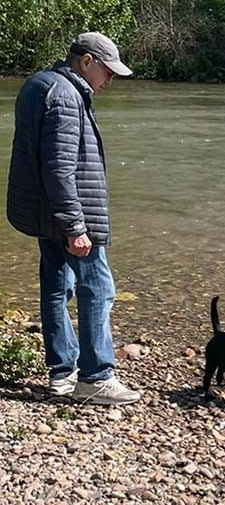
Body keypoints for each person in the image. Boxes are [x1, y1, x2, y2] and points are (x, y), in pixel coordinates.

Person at [6, 32, 141, 405]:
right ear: (86, 62)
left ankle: (62, 372)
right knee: (98, 288)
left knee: (55, 287)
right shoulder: (66, 97)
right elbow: (60, 168)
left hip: (41, 210)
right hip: (68, 212)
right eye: (107, 71)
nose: (110, 80)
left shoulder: (39, 84)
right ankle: (96, 377)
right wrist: (75, 227)